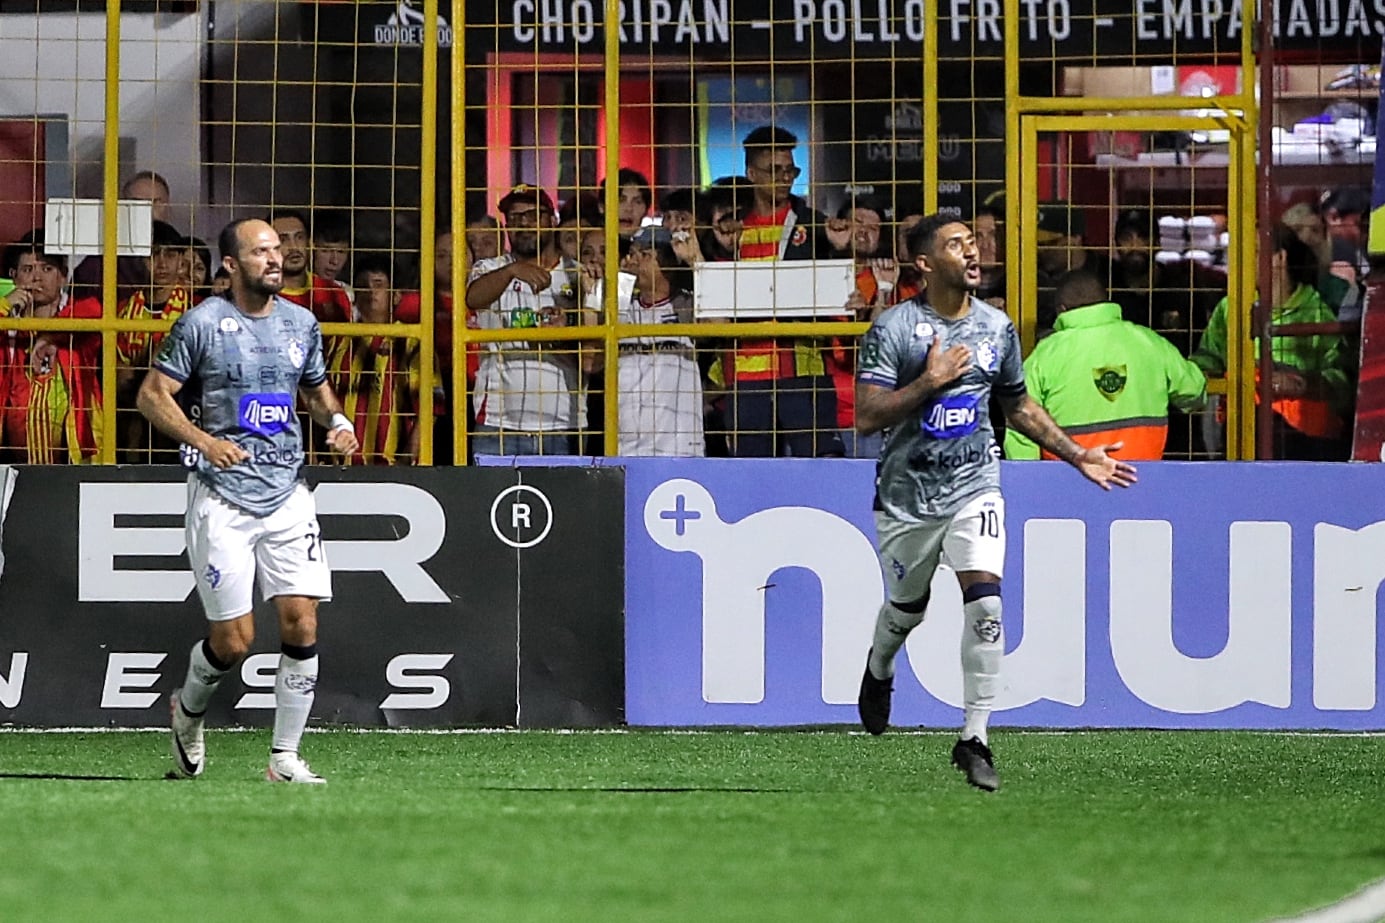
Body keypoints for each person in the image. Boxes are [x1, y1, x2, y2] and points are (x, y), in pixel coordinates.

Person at [854, 214, 1136, 792]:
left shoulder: (996, 327)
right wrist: (929, 382)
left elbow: (1019, 404)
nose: (973, 251)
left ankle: (974, 737)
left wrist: (1078, 454)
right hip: (908, 497)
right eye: (956, 245)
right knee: (907, 610)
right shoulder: (895, 330)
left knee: (986, 606)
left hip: (976, 485)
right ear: (925, 264)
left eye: (973, 241)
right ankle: (880, 664)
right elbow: (865, 416)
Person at [136, 217, 359, 784]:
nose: (275, 259)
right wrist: (206, 442)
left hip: (287, 490)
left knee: (301, 619)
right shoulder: (202, 324)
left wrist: (335, 420)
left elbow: (312, 386)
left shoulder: (302, 323)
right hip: (222, 496)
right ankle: (187, 713)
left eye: (277, 249)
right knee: (234, 641)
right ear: (232, 265)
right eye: (260, 252)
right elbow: (151, 396)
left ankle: (284, 758)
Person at [709, 125, 844, 458]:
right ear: (751, 173)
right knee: (752, 477)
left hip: (802, 368)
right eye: (775, 170)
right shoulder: (730, 230)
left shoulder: (814, 224)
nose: (785, 178)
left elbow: (838, 287)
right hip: (746, 376)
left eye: (790, 170)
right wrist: (725, 251)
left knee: (819, 468)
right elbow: (713, 296)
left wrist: (841, 250)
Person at [1004, 269, 1207, 460]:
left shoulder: (1045, 355)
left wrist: (1030, 483)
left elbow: (1021, 426)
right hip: (1141, 480)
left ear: (1062, 310)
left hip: (1066, 484)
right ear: (1106, 302)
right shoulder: (1150, 343)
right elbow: (1194, 390)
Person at [1192, 225, 1350, 460]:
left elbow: (1342, 382)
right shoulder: (1231, 307)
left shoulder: (1316, 314)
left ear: (1280, 257)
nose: (1241, 262)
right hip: (1238, 442)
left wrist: (1302, 384)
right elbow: (1207, 357)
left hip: (1302, 446)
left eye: (1253, 252)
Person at [464, 184, 583, 456]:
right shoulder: (491, 268)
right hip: (498, 423)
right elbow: (473, 298)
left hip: (564, 422)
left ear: (552, 221)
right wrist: (512, 270)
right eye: (515, 218)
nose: (523, 224)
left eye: (532, 215)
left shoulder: (577, 274)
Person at [0, 230, 103, 463]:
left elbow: (96, 310)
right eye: (28, 270)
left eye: (47, 269)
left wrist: (48, 336)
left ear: (63, 277)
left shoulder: (77, 324)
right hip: (11, 464)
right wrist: (4, 305)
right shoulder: (6, 330)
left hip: (74, 462)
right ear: (13, 277)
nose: (37, 277)